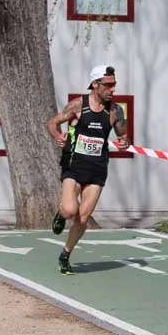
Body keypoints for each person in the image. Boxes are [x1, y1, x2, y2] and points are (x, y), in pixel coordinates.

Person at [48, 65, 129, 275]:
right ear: (95, 84)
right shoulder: (78, 105)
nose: (113, 89)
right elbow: (53, 122)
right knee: (69, 210)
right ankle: (60, 214)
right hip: (74, 166)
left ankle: (65, 255)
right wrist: (58, 136)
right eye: (108, 85)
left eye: (114, 84)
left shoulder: (115, 110)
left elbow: (123, 136)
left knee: (82, 218)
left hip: (97, 170)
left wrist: (124, 142)